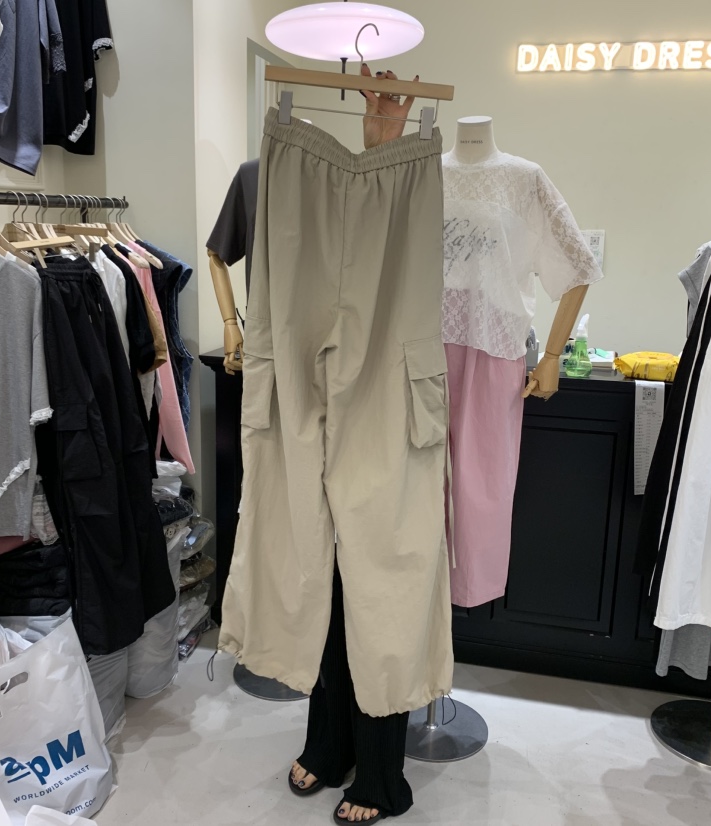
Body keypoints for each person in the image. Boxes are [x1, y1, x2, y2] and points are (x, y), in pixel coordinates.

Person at [288, 65, 425, 825]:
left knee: (382, 588)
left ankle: (379, 771)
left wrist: (386, 147)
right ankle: (329, 740)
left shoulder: (421, 183)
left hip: (399, 384)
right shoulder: (279, 175)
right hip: (311, 380)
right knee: (320, 580)